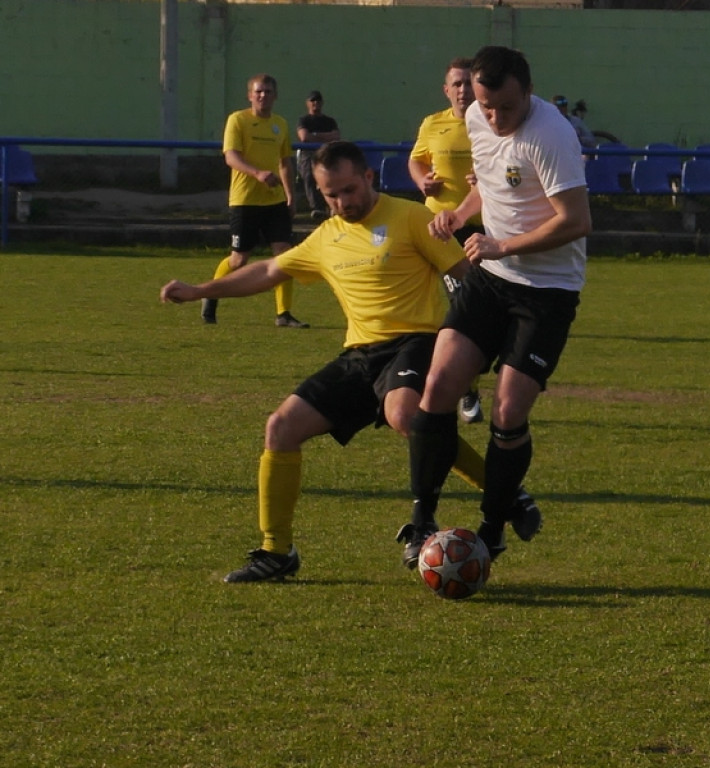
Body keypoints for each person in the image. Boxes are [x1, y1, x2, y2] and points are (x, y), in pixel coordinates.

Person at [160, 141, 538, 582]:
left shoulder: (411, 217)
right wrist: (201, 290)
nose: (342, 202)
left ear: (368, 179)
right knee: (280, 427)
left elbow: (468, 278)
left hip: (416, 341)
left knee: (407, 417)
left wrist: (479, 347)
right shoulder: (326, 236)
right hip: (359, 355)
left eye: (347, 190)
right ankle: (276, 552)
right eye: (330, 195)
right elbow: (267, 271)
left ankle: (499, 492)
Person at [407, 46, 592, 565]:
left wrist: (500, 245)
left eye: (505, 108)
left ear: (527, 92)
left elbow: (576, 221)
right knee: (439, 386)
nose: (494, 117)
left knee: (508, 413)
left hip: (547, 290)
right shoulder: (475, 116)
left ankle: (491, 530)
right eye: (486, 106)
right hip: (491, 279)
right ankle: (421, 523)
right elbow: (489, 188)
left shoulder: (552, 135)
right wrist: (460, 215)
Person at [408, 57, 485, 425]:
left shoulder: (491, 122)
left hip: (483, 228)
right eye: (456, 84)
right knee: (453, 309)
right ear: (446, 89)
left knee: (478, 310)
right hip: (439, 229)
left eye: (468, 83)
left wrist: (485, 180)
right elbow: (416, 161)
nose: (462, 90)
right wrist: (423, 181)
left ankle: (475, 380)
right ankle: (463, 388)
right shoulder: (432, 123)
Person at [202, 73, 309, 329]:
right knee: (239, 259)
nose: (263, 96)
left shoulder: (280, 124)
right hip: (245, 200)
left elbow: (284, 163)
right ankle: (210, 295)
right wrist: (258, 173)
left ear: (275, 96)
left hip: (274, 202)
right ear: (250, 95)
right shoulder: (237, 120)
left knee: (284, 256)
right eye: (258, 92)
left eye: (268, 92)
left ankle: (284, 314)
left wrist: (291, 195)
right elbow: (231, 158)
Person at [296, 90, 341, 221]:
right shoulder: (304, 120)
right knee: (309, 176)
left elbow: (336, 137)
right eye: (312, 100)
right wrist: (325, 137)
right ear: (307, 103)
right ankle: (317, 208)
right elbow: (304, 137)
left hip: (327, 153)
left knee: (331, 176)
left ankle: (331, 205)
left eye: (318, 100)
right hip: (308, 154)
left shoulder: (329, 121)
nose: (315, 103)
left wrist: (314, 135)